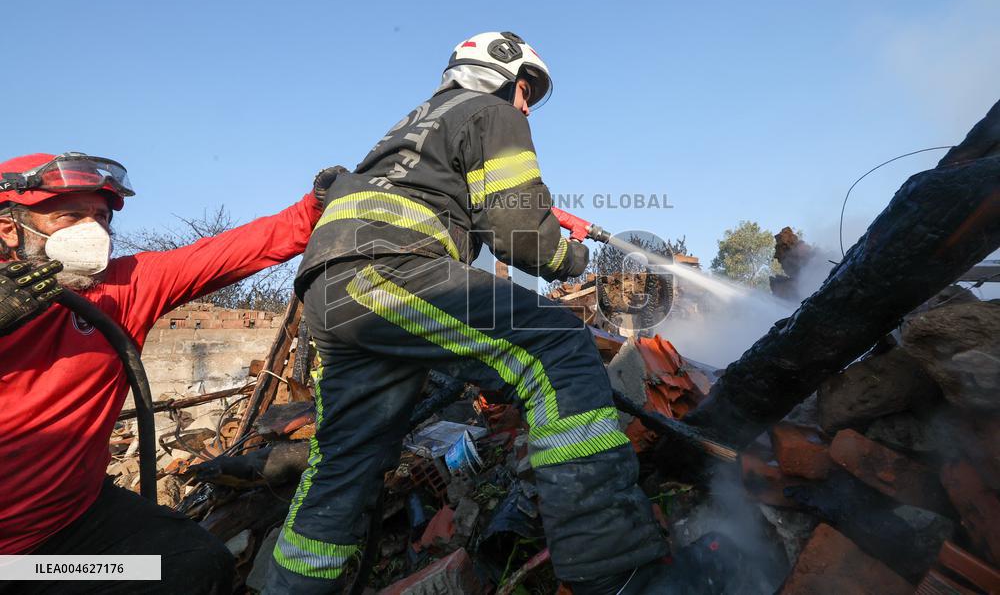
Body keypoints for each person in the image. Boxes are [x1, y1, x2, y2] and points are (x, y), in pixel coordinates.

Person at [268, 32, 669, 594]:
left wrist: (540, 214)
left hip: (332, 291)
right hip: (386, 271)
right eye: (525, 90)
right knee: (555, 346)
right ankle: (617, 569)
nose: (525, 105)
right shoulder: (491, 111)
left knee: (344, 458)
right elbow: (520, 236)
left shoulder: (414, 126)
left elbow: (463, 204)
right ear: (499, 75)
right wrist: (570, 253)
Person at [0, 152, 341, 594]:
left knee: (192, 565)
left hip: (71, 525)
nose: (91, 232)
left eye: (100, 217)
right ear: (10, 228)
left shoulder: (121, 290)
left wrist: (314, 207)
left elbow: (226, 252)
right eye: (70, 216)